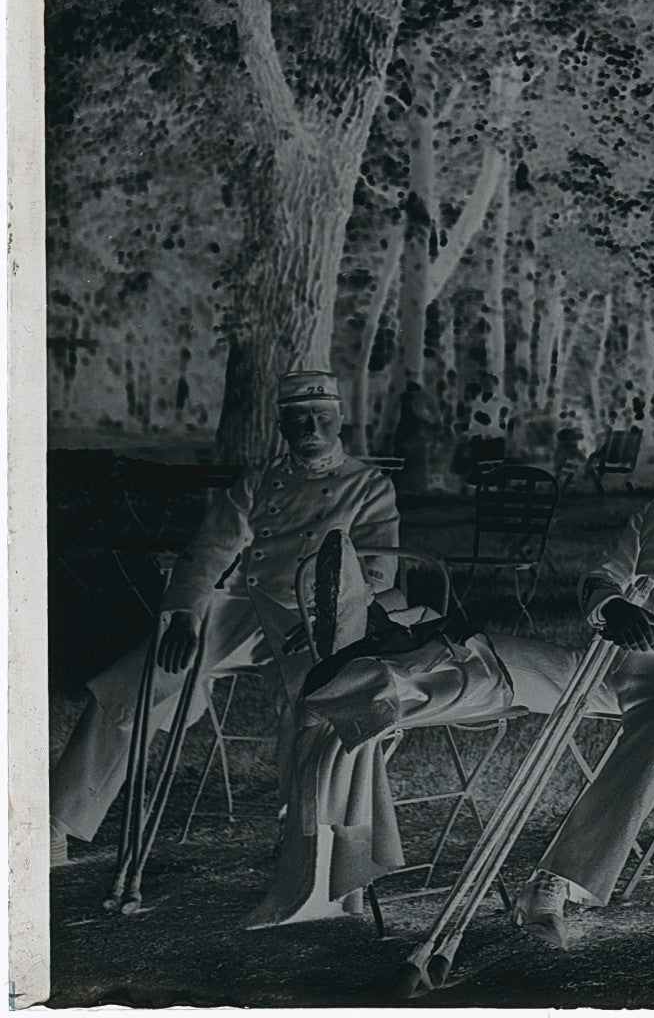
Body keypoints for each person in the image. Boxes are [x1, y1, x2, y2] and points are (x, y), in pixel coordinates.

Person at [250, 388, 654, 942]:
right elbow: (600, 578)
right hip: (607, 660)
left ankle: (556, 883)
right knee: (490, 655)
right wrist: (610, 606)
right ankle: (375, 689)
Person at [49, 371, 399, 867]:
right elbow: (211, 547)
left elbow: (378, 568)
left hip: (313, 619)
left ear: (340, 419)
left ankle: (304, 837)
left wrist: (334, 619)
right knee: (137, 681)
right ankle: (57, 821)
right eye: (299, 417)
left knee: (314, 700)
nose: (312, 427)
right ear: (281, 424)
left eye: (322, 416)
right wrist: (185, 613)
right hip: (241, 607)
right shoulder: (259, 480)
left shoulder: (368, 485)